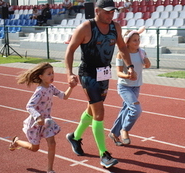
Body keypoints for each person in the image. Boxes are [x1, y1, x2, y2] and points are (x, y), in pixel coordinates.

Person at [64, 0, 136, 168]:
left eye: (113, 12)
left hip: (104, 74)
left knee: (92, 109)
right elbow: (70, 50)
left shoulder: (115, 27)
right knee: (99, 113)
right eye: (107, 12)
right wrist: (69, 73)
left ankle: (74, 137)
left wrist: (130, 66)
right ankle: (104, 155)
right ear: (97, 11)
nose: (110, 15)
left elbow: (123, 47)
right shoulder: (85, 28)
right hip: (88, 74)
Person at [9, 62, 75, 173]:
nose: (52, 75)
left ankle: (50, 170)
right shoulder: (40, 91)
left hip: (47, 122)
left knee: (52, 144)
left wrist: (71, 87)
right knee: (34, 148)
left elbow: (64, 96)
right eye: (49, 74)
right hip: (36, 123)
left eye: (53, 73)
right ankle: (17, 142)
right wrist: (38, 117)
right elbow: (29, 106)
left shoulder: (51, 88)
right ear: (41, 76)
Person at [109, 27, 151, 146]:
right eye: (134, 40)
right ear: (127, 42)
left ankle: (113, 133)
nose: (137, 42)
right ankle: (125, 130)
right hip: (124, 87)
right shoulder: (121, 54)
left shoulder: (141, 52)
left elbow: (147, 65)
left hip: (136, 86)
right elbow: (118, 73)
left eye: (138, 39)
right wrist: (128, 76)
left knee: (125, 110)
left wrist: (147, 62)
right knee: (136, 110)